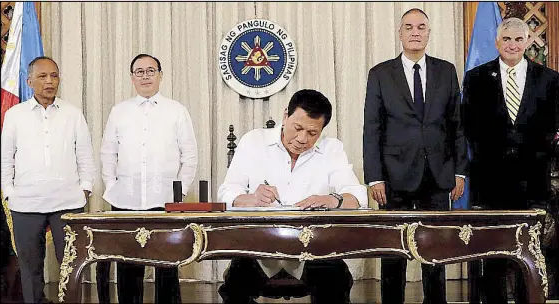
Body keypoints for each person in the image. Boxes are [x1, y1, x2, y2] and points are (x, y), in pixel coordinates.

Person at [217, 89, 368, 303]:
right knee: (235, 287)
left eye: (312, 133)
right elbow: (226, 193)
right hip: (260, 248)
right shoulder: (254, 141)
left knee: (337, 280)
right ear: (285, 115)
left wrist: (333, 199)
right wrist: (252, 198)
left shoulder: (331, 149)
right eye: (297, 128)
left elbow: (359, 196)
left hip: (314, 250)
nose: (302, 139)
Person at [363, 8, 468, 304]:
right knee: (394, 255)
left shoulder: (446, 71)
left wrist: (459, 171)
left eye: (421, 27)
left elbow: (456, 125)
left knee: (435, 252)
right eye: (408, 27)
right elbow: (372, 129)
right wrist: (375, 177)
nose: (415, 32)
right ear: (400, 33)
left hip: (437, 175)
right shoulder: (381, 74)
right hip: (393, 176)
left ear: (428, 33)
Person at [462, 17, 559, 303]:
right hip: (491, 182)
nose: (512, 45)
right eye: (506, 39)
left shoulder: (550, 79)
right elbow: (469, 127)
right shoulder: (477, 78)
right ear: (496, 42)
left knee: (530, 255)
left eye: (519, 39)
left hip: (534, 183)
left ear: (529, 41)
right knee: (493, 255)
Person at [100, 53, 198, 303]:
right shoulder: (118, 111)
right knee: (128, 266)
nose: (145, 76)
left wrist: (180, 193)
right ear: (132, 78)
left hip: (164, 201)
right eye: (139, 72)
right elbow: (108, 153)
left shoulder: (176, 111)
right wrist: (112, 187)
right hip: (125, 201)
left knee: (166, 266)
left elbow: (190, 156)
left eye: (150, 71)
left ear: (160, 75)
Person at [1, 56, 95, 303]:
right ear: (29, 80)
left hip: (67, 204)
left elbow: (85, 155)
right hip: (25, 204)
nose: (49, 81)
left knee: (72, 266)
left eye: (54, 76)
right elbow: (5, 158)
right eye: (42, 76)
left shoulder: (73, 114)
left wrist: (85, 189)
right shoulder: (14, 115)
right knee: (30, 268)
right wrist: (9, 191)